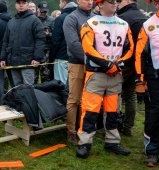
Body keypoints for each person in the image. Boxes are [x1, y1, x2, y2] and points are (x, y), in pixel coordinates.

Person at [76, 0, 134, 159]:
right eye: (110, 1)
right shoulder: (91, 23)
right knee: (90, 110)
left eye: (116, 1)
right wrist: (107, 64)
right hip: (96, 73)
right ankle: (85, 143)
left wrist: (119, 63)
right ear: (100, 5)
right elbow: (88, 48)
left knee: (113, 111)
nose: (114, 3)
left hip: (115, 74)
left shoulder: (124, 24)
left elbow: (130, 48)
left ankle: (112, 142)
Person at [135, 0, 159, 167]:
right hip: (156, 77)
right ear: (156, 3)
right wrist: (140, 80)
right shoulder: (148, 25)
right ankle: (152, 151)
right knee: (154, 115)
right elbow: (139, 53)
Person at [63, 0, 94, 145]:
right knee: (74, 99)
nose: (89, 2)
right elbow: (73, 43)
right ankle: (71, 131)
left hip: (94, 64)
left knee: (87, 99)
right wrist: (92, 59)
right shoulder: (72, 18)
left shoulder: (95, 17)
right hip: (77, 63)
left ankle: (84, 128)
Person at [116, 0, 147, 136]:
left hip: (124, 62)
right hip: (138, 63)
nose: (117, 3)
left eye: (119, 1)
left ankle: (114, 126)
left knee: (115, 94)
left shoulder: (122, 19)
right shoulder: (144, 17)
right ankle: (128, 127)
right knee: (131, 95)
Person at [0, 0, 45, 86]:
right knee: (17, 89)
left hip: (28, 62)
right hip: (13, 61)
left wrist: (37, 57)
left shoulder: (35, 21)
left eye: (23, 3)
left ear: (27, 5)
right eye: (18, 3)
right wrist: (3, 58)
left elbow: (40, 40)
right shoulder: (11, 21)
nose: (21, 5)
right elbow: (5, 41)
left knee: (28, 89)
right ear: (15, 5)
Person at [49, 0, 77, 86]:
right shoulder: (81, 16)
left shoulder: (60, 18)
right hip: (78, 58)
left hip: (62, 57)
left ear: (63, 2)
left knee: (60, 86)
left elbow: (55, 41)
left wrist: (51, 58)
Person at [37, 1, 55, 83]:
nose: (43, 13)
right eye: (42, 11)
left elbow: (55, 35)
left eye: (45, 11)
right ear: (38, 9)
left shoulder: (51, 20)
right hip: (35, 48)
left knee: (45, 74)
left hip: (46, 49)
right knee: (34, 74)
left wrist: (49, 34)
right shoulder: (34, 19)